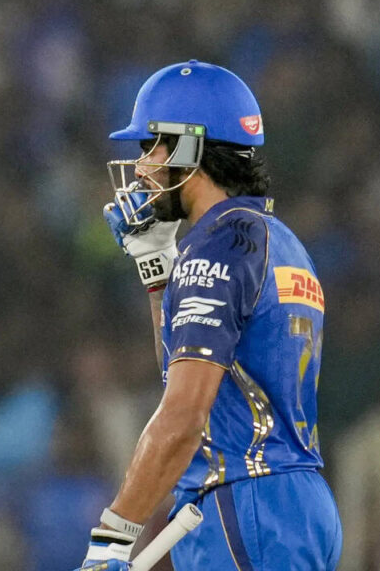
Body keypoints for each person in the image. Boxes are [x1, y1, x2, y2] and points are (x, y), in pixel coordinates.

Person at [75, 60, 342, 570]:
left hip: (245, 501)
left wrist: (113, 537)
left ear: (189, 147)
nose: (140, 167)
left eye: (151, 146)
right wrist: (160, 268)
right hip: (294, 502)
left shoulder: (218, 248)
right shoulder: (278, 240)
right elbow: (189, 371)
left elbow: (183, 414)